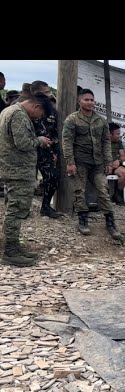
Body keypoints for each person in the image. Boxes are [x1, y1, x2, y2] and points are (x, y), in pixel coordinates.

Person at [0, 93, 54, 266]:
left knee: (15, 209)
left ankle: (14, 246)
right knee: (16, 210)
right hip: (18, 170)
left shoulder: (9, 111)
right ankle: (10, 251)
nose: (40, 118)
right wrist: (39, 140)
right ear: (37, 107)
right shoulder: (18, 115)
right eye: (41, 115)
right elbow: (23, 143)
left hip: (14, 168)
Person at [61, 88, 122, 240]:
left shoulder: (100, 121)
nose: (90, 102)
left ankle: (110, 222)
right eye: (86, 99)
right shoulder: (72, 119)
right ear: (79, 101)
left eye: (92, 100)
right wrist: (70, 162)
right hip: (80, 162)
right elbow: (67, 142)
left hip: (98, 163)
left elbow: (106, 142)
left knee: (103, 191)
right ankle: (83, 221)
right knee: (79, 191)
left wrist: (108, 161)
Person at [30, 80, 64, 219]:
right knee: (24, 182)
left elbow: (55, 131)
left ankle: (45, 207)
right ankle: (19, 208)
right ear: (37, 93)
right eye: (46, 92)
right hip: (28, 149)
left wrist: (55, 151)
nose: (50, 94)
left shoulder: (51, 110)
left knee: (53, 176)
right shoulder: (26, 108)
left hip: (45, 151)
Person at [107, 122, 125, 205]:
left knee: (124, 173)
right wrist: (108, 164)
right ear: (110, 134)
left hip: (116, 165)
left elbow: (123, 155)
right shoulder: (101, 142)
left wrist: (119, 161)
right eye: (117, 134)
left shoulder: (118, 142)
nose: (119, 135)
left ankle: (117, 195)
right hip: (104, 165)